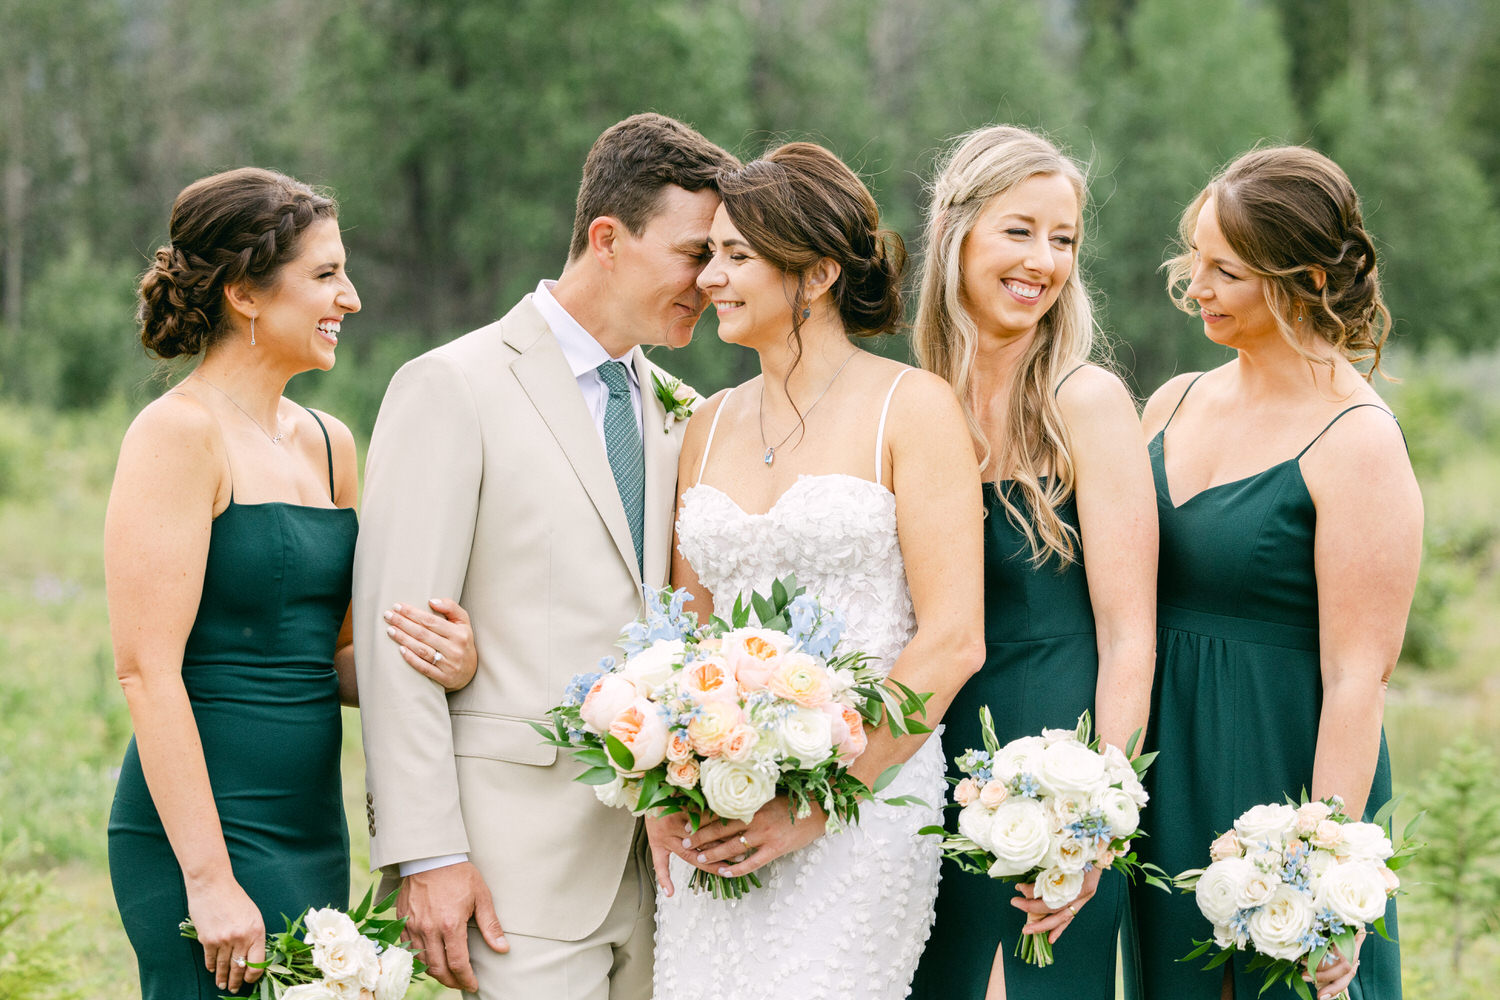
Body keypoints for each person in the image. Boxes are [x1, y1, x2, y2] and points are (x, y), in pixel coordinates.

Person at [352, 113, 738, 999]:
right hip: (508, 872)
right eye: (692, 253)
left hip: (663, 869)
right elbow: (399, 639)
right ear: (608, 238)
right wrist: (429, 853)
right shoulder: (452, 385)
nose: (712, 282)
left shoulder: (681, 407)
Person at [106, 167, 477, 998]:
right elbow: (145, 672)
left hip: (311, 827)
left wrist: (441, 663)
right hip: (201, 833)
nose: (350, 297)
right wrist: (207, 879)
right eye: (324, 275)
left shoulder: (329, 441)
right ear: (244, 291)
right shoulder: (177, 434)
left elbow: (339, 659)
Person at [645, 141, 987, 1000]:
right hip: (714, 807)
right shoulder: (707, 424)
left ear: (818, 273)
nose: (709, 279)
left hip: (866, 809)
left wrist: (813, 804)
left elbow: (951, 641)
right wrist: (666, 779)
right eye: (708, 254)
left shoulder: (912, 408)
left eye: (736, 256)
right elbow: (681, 634)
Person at [1124, 145, 1421, 1000]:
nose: (1196, 286)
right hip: (1163, 772)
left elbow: (1360, 677)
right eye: (1196, 260)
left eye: (1227, 270)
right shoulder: (1172, 400)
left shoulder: (1357, 439)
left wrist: (1320, 875)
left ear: (1309, 281)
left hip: (1277, 777)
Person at [905, 125, 1157, 1000]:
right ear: (955, 229)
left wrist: (1093, 824)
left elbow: (1131, 637)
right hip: (922, 773)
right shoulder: (914, 398)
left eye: (1064, 240)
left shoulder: (1085, 401)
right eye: (1020, 230)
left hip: (1055, 775)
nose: (1044, 260)